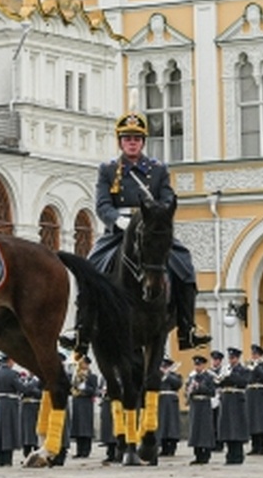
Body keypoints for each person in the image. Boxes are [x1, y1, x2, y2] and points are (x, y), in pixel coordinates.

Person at [82, 110, 210, 350]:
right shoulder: (108, 170)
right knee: (89, 268)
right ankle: (82, 329)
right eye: (128, 138)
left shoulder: (158, 169)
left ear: (143, 142)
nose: (132, 143)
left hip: (151, 230)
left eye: (137, 139)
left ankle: (187, 327)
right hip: (118, 232)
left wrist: (156, 216)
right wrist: (117, 220)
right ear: (120, 141)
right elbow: (102, 204)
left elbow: (167, 197)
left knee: (185, 265)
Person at [216, 348, 249, 465]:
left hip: (237, 400)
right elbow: (218, 383)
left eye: (233, 358)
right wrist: (220, 379)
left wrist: (230, 376)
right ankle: (229, 455)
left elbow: (244, 382)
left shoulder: (243, 369)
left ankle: (238, 455)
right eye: (230, 358)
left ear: (238, 358)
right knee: (227, 429)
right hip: (226, 401)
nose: (231, 360)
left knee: (237, 429)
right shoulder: (225, 369)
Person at [0, 354, 24, 466]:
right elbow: (22, 388)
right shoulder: (12, 374)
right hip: (10, 403)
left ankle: (0, 458)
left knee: (0, 430)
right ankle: (8, 459)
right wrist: (33, 383)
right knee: (9, 430)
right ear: (10, 361)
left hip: (0, 402)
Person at [184, 354, 216, 465]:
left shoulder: (208, 377)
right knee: (195, 430)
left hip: (204, 405)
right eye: (196, 365)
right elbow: (186, 391)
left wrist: (200, 387)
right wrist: (189, 390)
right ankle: (197, 454)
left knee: (205, 430)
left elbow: (212, 392)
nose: (197, 367)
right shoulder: (192, 377)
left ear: (203, 365)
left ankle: (206, 455)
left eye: (199, 365)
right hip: (195, 405)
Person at [67, 355, 96, 459]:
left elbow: (94, 391)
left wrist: (85, 387)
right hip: (77, 402)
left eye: (83, 363)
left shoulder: (92, 376)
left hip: (86, 402)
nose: (81, 365)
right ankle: (79, 450)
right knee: (78, 428)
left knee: (86, 428)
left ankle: (86, 451)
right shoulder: (76, 376)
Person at [245, 345, 263, 456]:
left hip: (259, 393)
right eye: (253, 354)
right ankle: (254, 446)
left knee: (259, 420)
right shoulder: (250, 365)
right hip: (251, 393)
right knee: (252, 420)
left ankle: (261, 446)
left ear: (260, 356)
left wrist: (257, 367)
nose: (253, 356)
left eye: (255, 354)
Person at [157, 357, 183, 457]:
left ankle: (172, 447)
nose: (163, 368)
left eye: (166, 366)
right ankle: (163, 447)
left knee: (171, 426)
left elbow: (177, 384)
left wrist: (167, 375)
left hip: (171, 404)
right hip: (161, 402)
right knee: (162, 426)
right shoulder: (158, 376)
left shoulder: (176, 375)